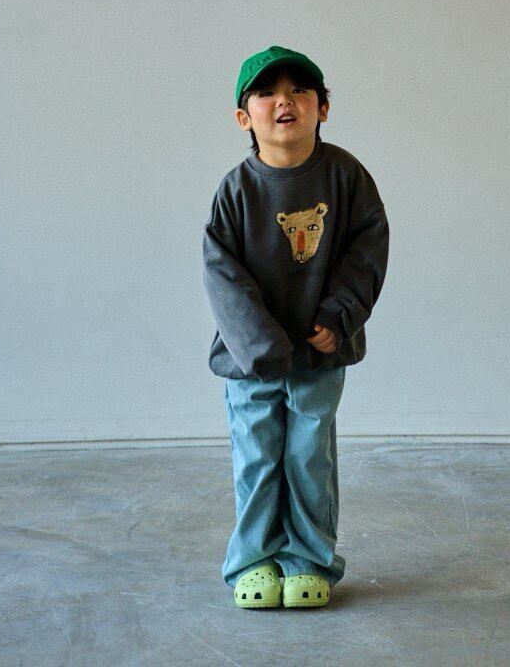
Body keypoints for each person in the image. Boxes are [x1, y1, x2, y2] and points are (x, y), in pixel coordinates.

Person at [202, 44, 390, 610]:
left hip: (320, 352)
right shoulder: (237, 190)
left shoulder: (346, 177)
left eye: (299, 90)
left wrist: (340, 315)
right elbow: (222, 272)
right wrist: (259, 346)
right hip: (251, 361)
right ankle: (253, 562)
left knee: (309, 458)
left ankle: (308, 560)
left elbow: (367, 248)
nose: (284, 101)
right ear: (244, 117)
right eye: (266, 93)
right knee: (258, 457)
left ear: (322, 108)